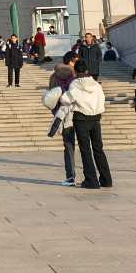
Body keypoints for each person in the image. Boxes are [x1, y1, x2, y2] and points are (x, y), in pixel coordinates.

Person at [61, 60, 112, 190]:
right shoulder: (96, 84)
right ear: (87, 70)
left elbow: (66, 99)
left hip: (81, 118)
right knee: (98, 148)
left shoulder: (75, 84)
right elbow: (102, 99)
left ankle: (91, 180)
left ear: (75, 71)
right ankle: (106, 179)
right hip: (96, 118)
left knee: (85, 149)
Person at [47, 53, 78, 186]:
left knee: (68, 146)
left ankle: (70, 176)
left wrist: (56, 113)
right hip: (79, 113)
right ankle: (91, 175)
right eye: (75, 61)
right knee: (85, 145)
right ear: (71, 62)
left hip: (63, 115)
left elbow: (51, 98)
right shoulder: (76, 76)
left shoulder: (54, 77)